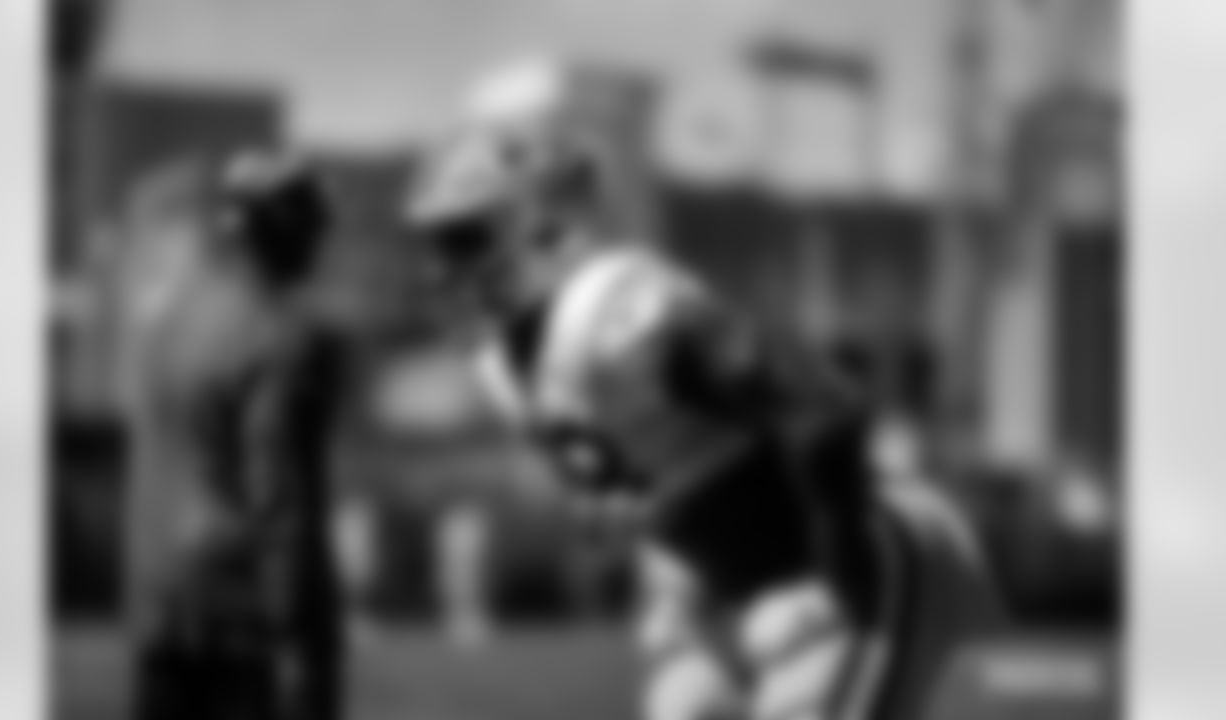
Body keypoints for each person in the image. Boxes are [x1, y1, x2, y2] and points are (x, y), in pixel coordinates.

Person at [404, 59, 1005, 720]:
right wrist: (685, 594)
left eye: (461, 240)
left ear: (550, 230)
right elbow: (672, 479)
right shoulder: (505, 367)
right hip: (734, 594)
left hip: (843, 569)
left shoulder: (623, 318)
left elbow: (826, 409)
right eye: (434, 244)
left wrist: (839, 578)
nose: (440, 269)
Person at [116, 151, 347, 720]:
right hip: (243, 620)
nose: (318, 246)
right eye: (312, 227)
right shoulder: (279, 338)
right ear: (285, 230)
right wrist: (298, 642)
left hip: (158, 609)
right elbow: (280, 502)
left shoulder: (167, 322)